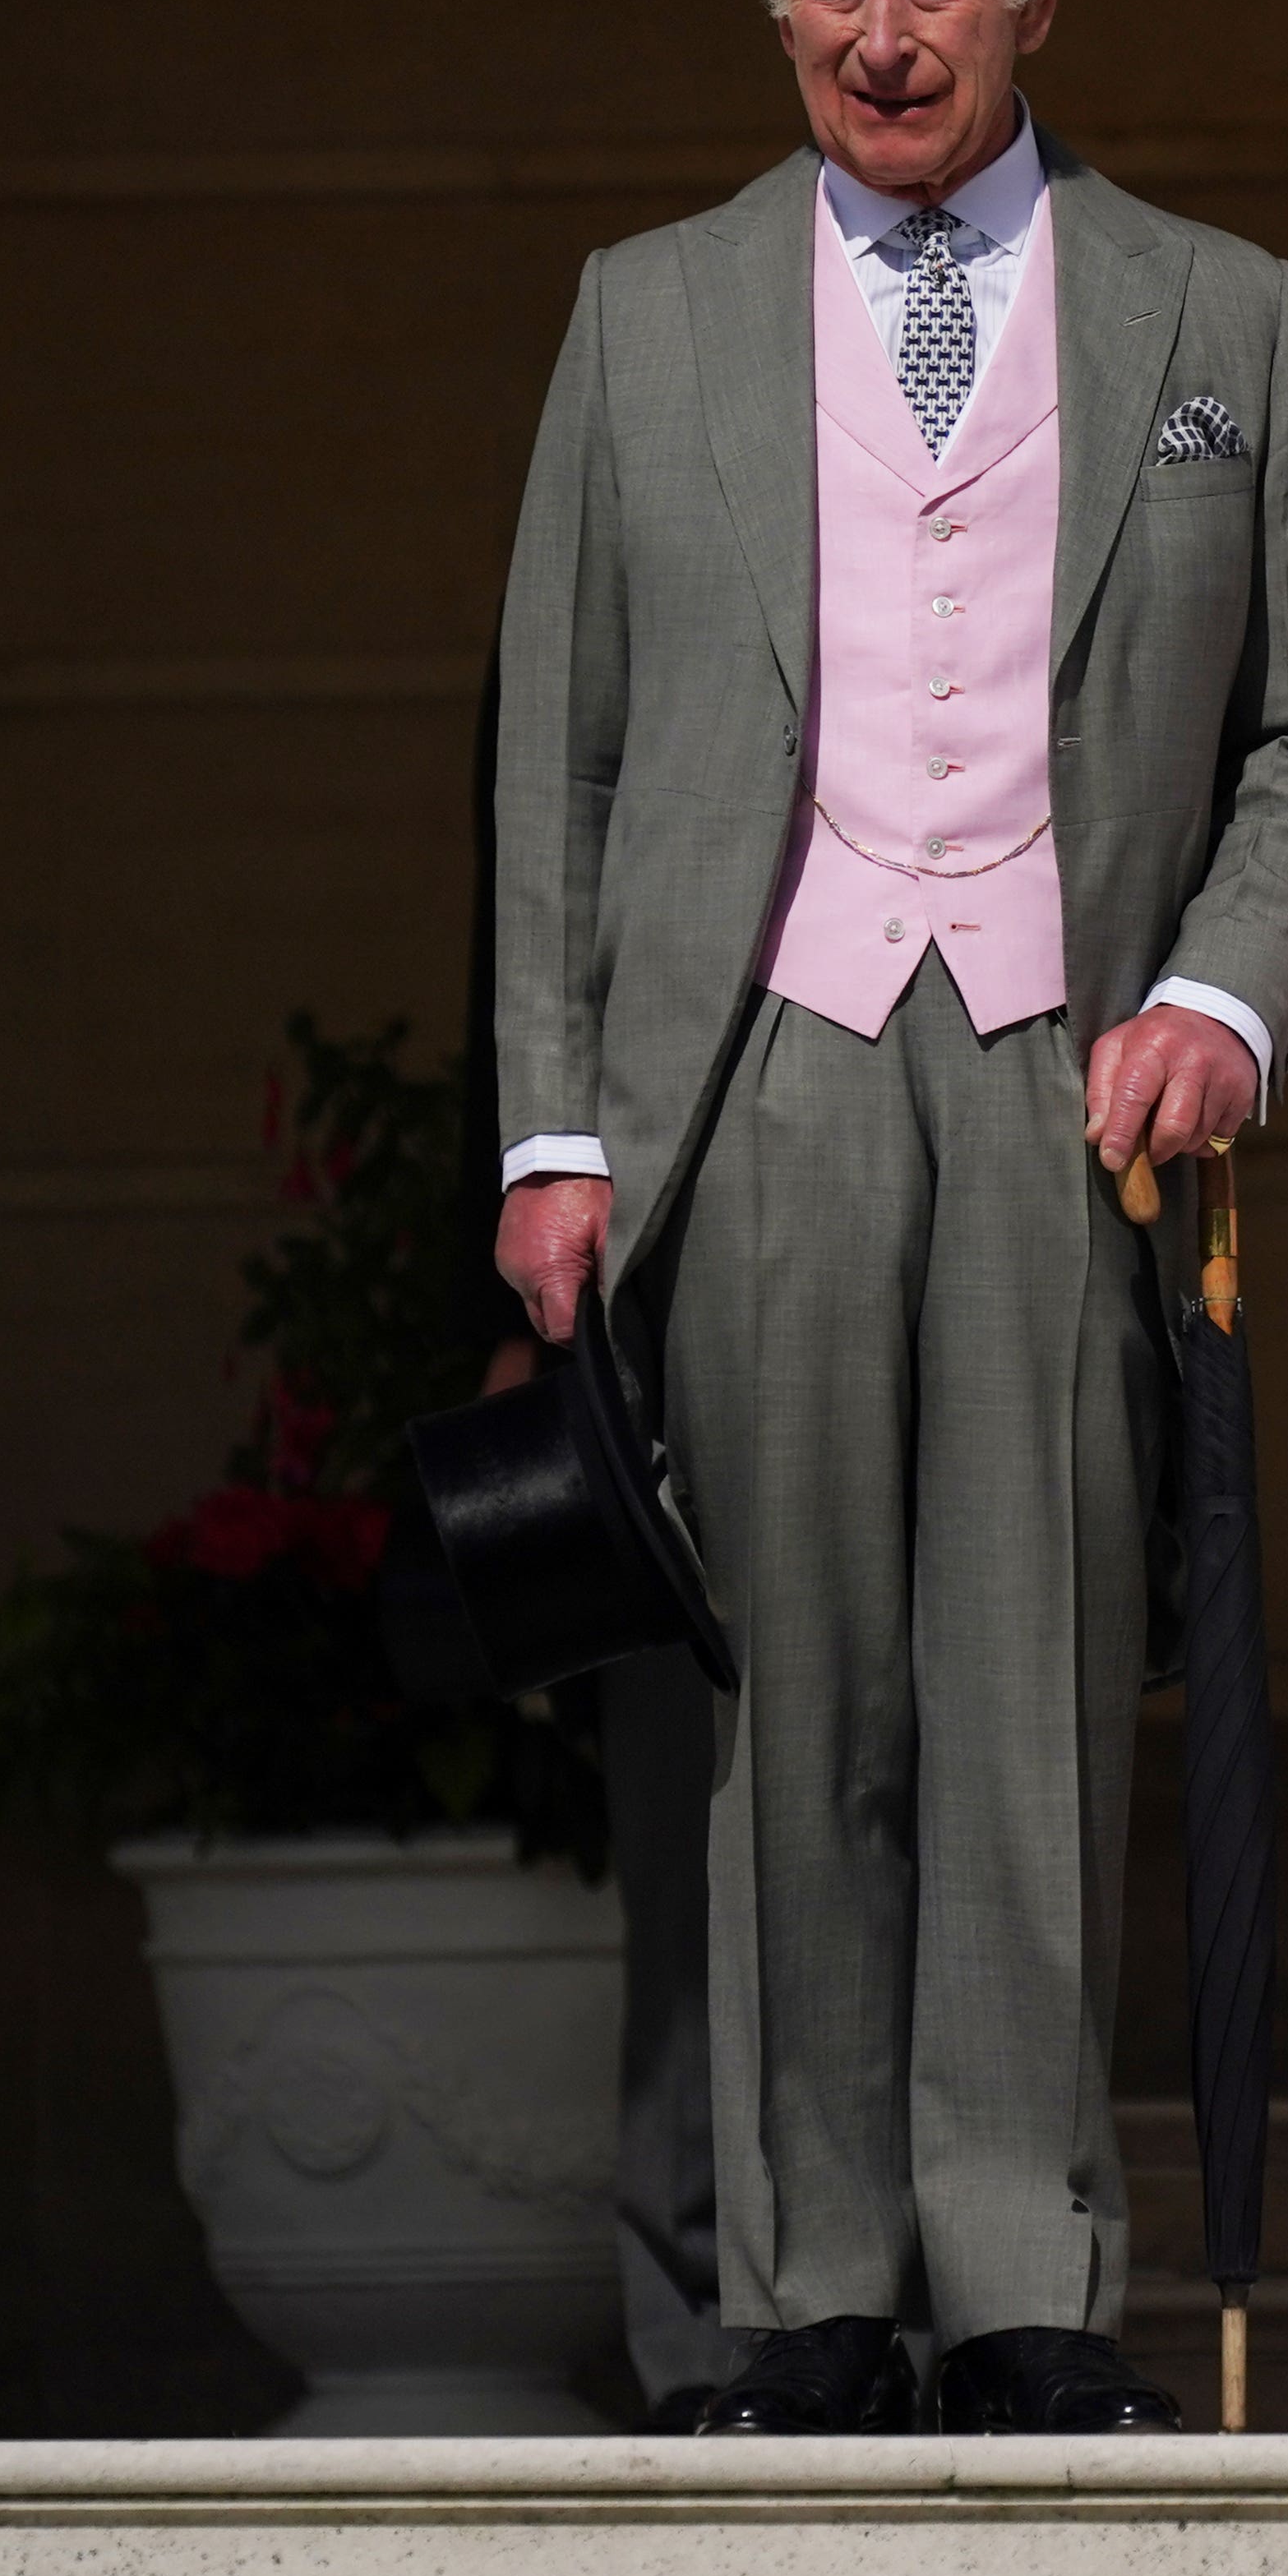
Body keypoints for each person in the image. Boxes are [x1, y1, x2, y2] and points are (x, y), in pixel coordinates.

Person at [487, 0, 1288, 2438]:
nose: (884, 35)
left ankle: (1022, 2279)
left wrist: (1225, 1000)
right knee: (784, 1711)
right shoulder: (643, 315)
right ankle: (805, 2293)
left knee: (1023, 1687)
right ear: (781, 3)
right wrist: (554, 1133)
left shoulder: (1215, 314)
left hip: (1057, 1079)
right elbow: (557, 746)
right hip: (752, 1072)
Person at [451, 653, 742, 2433]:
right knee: (684, 1825)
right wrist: (490, 1287)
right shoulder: (591, 590)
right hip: (634, 1298)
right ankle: (700, 2326)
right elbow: (517, 945)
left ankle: (927, 2316)